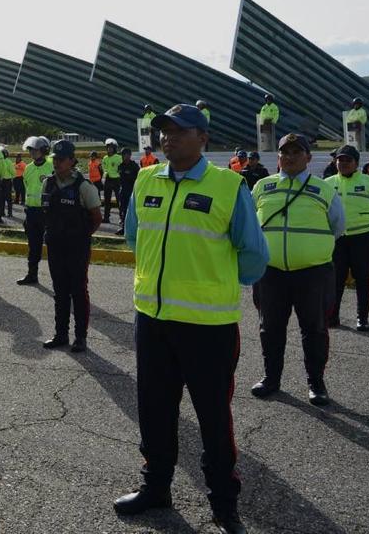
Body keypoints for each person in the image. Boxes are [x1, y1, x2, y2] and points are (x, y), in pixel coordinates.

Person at [116, 104, 268, 534]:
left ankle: (224, 504)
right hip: (153, 319)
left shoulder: (228, 185)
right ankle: (156, 487)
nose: (168, 138)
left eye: (180, 131)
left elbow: (253, 255)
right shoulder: (146, 178)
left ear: (203, 138)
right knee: (155, 410)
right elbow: (133, 234)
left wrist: (208, 284)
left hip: (208, 327)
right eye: (164, 131)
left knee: (213, 418)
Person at [249, 133, 344, 407]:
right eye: (285, 153)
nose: (289, 157)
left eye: (296, 152)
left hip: (312, 274)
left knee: (314, 329)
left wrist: (309, 249)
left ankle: (316, 383)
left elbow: (338, 227)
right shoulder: (262, 187)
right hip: (270, 273)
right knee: (270, 328)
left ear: (308, 157)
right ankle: (271, 378)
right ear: (278, 157)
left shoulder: (325, 189)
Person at [41, 139, 102, 352]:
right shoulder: (47, 183)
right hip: (56, 246)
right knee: (60, 291)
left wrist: (82, 236)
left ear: (72, 161)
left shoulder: (84, 187)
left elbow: (96, 217)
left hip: (77, 248)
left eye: (61, 159)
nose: (56, 163)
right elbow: (46, 213)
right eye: (54, 159)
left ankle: (80, 337)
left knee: (78, 291)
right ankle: (61, 334)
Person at [327, 145, 369, 331]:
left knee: (363, 279)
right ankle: (332, 317)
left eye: (348, 160)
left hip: (363, 239)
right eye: (340, 160)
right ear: (335, 162)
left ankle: (362, 318)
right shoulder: (327, 183)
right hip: (338, 238)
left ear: (356, 163)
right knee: (336, 279)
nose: (343, 163)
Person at [16, 136, 54, 286]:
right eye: (31, 149)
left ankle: (58, 278)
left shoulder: (51, 166)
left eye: (36, 150)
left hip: (48, 213)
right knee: (33, 245)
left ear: (44, 150)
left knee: (52, 246)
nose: (32, 152)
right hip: (31, 212)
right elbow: (27, 186)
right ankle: (32, 275)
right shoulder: (29, 168)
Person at [114, 147, 140, 236]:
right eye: (123, 155)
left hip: (132, 191)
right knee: (122, 209)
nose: (125, 156)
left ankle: (133, 229)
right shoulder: (120, 166)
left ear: (129, 155)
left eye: (126, 154)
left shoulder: (134, 166)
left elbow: (139, 179)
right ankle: (123, 227)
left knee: (132, 210)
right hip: (123, 191)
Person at [100, 139, 122, 224]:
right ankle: (106, 217)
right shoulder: (105, 158)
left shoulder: (119, 157)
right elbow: (103, 168)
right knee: (107, 200)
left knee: (119, 199)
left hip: (117, 180)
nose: (109, 149)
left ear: (115, 148)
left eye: (111, 148)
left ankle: (121, 218)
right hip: (108, 180)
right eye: (108, 148)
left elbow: (121, 168)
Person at [0, 145, 15, 219]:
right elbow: (13, 172)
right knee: (9, 198)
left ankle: (2, 212)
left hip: (1, 181)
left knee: (1, 198)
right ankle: (10, 213)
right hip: (8, 181)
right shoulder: (9, 162)